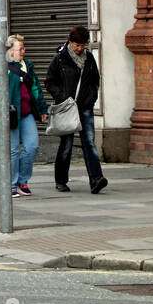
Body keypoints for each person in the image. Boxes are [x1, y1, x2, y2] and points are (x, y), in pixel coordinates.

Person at [0, 33, 48, 197]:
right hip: (10, 114)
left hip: (26, 113)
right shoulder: (2, 67)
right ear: (10, 51)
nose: (23, 52)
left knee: (32, 146)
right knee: (12, 150)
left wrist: (42, 109)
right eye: (20, 49)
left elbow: (35, 88)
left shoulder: (28, 65)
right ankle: (11, 184)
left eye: (23, 48)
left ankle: (22, 180)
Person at [45, 25, 107, 194]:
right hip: (67, 107)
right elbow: (50, 81)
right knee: (67, 143)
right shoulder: (60, 58)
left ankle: (96, 179)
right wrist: (63, 97)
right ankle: (61, 180)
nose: (80, 48)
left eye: (83, 45)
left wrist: (91, 97)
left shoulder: (89, 58)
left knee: (89, 142)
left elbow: (95, 80)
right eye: (77, 45)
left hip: (85, 106)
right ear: (70, 41)